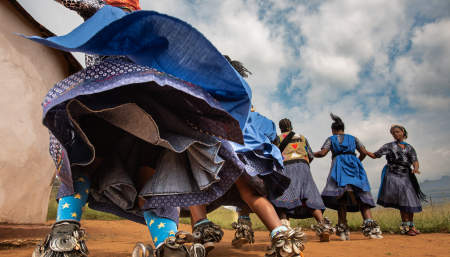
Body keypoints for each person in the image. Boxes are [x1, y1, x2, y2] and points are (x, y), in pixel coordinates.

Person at [28, 1, 252, 256]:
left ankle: (65, 237)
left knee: (83, 161)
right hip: (150, 113)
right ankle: (168, 246)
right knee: (153, 178)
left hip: (103, 102)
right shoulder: (147, 24)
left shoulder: (102, 11)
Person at [186, 60, 304, 257]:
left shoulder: (208, 85)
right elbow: (269, 135)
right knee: (251, 194)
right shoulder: (243, 90)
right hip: (245, 149)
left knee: (195, 188)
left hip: (216, 144)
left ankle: (202, 235)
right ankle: (283, 240)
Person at [313, 114, 383, 240]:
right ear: (343, 129)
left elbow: (323, 153)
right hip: (354, 165)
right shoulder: (354, 138)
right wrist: (357, 161)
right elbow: (363, 152)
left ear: (333, 130)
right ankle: (373, 230)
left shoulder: (331, 139)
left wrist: (310, 154)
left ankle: (343, 230)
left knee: (342, 197)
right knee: (362, 195)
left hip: (339, 167)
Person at [271, 118, 334, 242]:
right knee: (309, 195)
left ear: (280, 128)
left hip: (285, 168)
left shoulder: (277, 139)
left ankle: (285, 230)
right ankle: (323, 227)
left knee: (284, 197)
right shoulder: (302, 137)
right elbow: (310, 155)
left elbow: (273, 156)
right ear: (291, 126)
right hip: (303, 167)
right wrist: (303, 163)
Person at [366, 125, 425, 236]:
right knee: (403, 199)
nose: (395, 134)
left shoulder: (409, 147)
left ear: (403, 132)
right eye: (393, 133)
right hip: (393, 174)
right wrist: (364, 150)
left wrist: (416, 169)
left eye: (397, 132)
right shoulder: (389, 146)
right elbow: (375, 155)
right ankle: (406, 227)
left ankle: (411, 226)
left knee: (410, 200)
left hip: (407, 175)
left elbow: (415, 160)